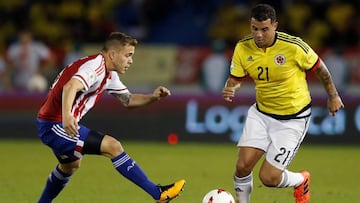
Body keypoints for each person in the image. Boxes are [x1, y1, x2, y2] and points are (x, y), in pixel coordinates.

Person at [36, 32, 185, 203]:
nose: (131, 61)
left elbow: (128, 100)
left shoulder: (109, 74)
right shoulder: (95, 67)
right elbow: (71, 87)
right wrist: (67, 116)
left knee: (70, 166)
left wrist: (153, 96)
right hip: (55, 125)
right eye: (128, 55)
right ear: (113, 54)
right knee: (113, 146)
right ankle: (158, 193)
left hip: (57, 123)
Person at [222, 4, 344, 203]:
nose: (259, 34)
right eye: (254, 28)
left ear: (275, 26)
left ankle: (300, 180)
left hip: (292, 119)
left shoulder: (294, 46)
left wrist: (333, 96)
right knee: (242, 167)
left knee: (269, 178)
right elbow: (235, 79)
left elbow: (320, 69)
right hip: (261, 114)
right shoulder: (242, 47)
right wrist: (231, 88)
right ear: (250, 25)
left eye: (264, 29)